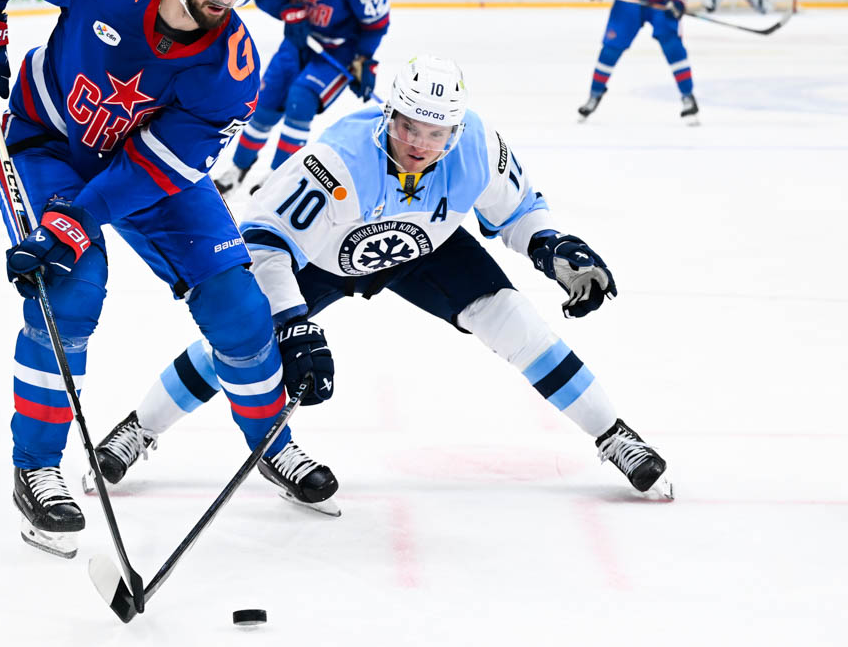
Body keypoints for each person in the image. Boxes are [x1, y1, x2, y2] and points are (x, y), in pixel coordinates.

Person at [89, 56, 673, 514]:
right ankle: (139, 428)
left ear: (456, 130)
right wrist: (292, 324)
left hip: (427, 249)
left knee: (517, 325)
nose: (420, 143)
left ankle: (615, 435)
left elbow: (518, 211)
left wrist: (551, 245)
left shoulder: (477, 148)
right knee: (242, 342)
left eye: (436, 133)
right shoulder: (338, 160)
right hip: (325, 253)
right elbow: (263, 242)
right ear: (388, 114)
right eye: (409, 126)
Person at [0, 0, 333, 557]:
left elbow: (156, 167)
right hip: (49, 142)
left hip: (140, 169)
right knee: (69, 289)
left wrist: (79, 217)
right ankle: (36, 467)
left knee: (239, 305)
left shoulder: (232, 67)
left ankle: (272, 440)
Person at [215, 0, 389, 194]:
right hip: (297, 43)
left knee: (300, 100)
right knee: (265, 103)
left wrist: (365, 60)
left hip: (338, 51)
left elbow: (376, 22)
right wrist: (288, 12)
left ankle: (279, 176)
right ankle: (238, 169)